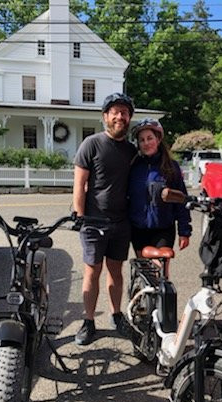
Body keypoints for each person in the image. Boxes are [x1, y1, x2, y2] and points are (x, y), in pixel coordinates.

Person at [73, 92, 137, 345]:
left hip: (121, 222)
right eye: (115, 112)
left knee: (116, 271)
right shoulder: (91, 144)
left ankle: (116, 314)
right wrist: (80, 216)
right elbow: (79, 184)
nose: (120, 116)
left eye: (125, 112)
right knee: (92, 272)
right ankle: (88, 321)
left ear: (129, 118)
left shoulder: (132, 151)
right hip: (93, 221)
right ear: (105, 117)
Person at [128, 118, 192, 271]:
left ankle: (163, 295)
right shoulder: (133, 166)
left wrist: (185, 231)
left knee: (159, 272)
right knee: (143, 272)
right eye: (142, 140)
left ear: (158, 139)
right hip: (138, 228)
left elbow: (181, 200)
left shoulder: (171, 167)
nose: (146, 143)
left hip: (163, 228)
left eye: (150, 138)